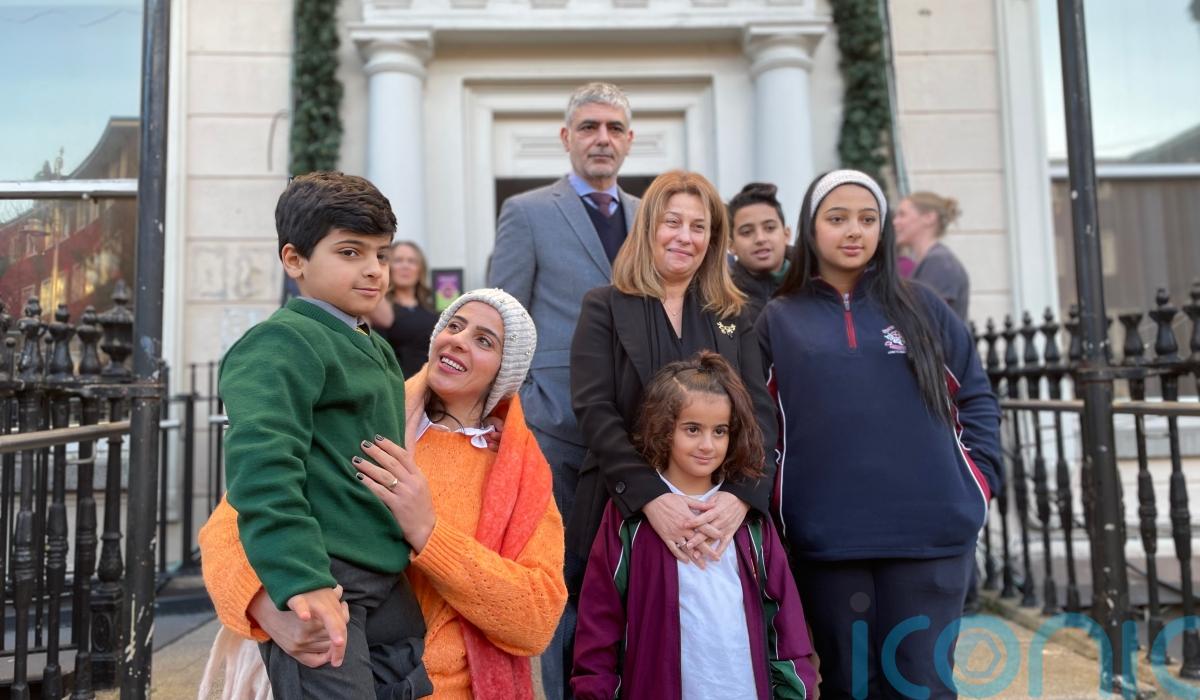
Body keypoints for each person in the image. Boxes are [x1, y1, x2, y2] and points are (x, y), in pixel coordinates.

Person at [199, 288, 567, 700]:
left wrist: (428, 533)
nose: (459, 340)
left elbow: (537, 619)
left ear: (506, 371)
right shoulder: (361, 418)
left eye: (484, 340)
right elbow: (230, 527)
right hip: (333, 671)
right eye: (454, 325)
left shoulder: (516, 474)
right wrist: (269, 607)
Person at [756, 169, 1002, 699]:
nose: (854, 230)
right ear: (811, 228)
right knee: (850, 687)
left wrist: (978, 483)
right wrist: (781, 504)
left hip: (931, 537)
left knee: (923, 687)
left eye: (868, 219)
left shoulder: (923, 307)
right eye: (837, 218)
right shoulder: (778, 319)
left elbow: (976, 397)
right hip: (827, 542)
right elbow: (760, 424)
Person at [214, 171, 432, 698]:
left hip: (386, 581)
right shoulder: (280, 342)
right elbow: (264, 469)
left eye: (381, 254)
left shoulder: (375, 346)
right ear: (295, 260)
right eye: (350, 252)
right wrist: (301, 579)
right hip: (324, 576)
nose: (374, 269)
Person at [487, 81, 638, 698]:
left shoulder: (650, 215)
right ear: (566, 136)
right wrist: (516, 406)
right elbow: (502, 315)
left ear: (629, 140)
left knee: (626, 579)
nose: (602, 138)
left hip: (639, 427)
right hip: (555, 425)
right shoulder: (527, 212)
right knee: (559, 578)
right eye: (589, 127)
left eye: (614, 128)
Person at [569, 170, 778, 595]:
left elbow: (759, 416)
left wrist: (739, 498)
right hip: (627, 511)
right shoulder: (604, 307)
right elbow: (595, 411)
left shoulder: (733, 315)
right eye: (672, 222)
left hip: (717, 519)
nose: (685, 237)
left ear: (712, 240)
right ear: (649, 228)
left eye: (699, 226)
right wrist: (652, 498)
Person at [572, 352, 817, 700]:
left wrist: (794, 692)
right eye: (692, 429)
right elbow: (599, 623)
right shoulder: (629, 519)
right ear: (663, 428)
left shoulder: (748, 521)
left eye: (720, 431)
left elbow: (784, 621)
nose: (707, 445)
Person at [893, 191, 970, 321]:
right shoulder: (931, 260)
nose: (895, 222)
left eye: (902, 214)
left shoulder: (939, 262)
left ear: (929, 218)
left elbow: (929, 321)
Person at [368, 240, 439, 377]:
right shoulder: (379, 306)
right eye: (398, 260)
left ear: (420, 269)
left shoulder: (431, 307)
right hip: (398, 381)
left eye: (412, 261)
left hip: (432, 381)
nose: (405, 266)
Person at [727, 182, 793, 323]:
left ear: (786, 235)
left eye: (769, 228)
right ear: (731, 246)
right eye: (746, 232)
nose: (760, 239)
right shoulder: (724, 301)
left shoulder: (815, 284)